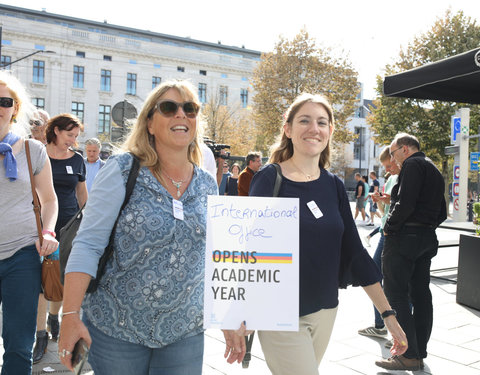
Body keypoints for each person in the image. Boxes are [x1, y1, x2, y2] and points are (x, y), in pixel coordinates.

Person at [58, 80, 220, 374]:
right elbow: (88, 244)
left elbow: (216, 257)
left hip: (184, 331)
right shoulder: (122, 169)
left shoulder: (208, 183)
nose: (181, 115)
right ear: (149, 123)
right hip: (117, 330)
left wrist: (232, 317)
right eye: (169, 108)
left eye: (190, 109)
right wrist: (70, 315)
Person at [249, 93, 407, 375]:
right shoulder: (269, 178)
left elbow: (355, 253)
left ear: (330, 131)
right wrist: (237, 315)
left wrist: (388, 314)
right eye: (304, 121)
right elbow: (247, 250)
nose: (314, 128)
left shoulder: (333, 185)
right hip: (279, 313)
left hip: (325, 310)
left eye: (322, 122)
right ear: (288, 129)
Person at [0, 71, 59, 374]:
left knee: (18, 346)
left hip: (22, 256)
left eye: (4, 100)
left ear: (15, 108)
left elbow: (49, 200)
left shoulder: (31, 150)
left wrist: (48, 230)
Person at [376, 133, 446, 371]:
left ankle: (408, 353)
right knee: (421, 295)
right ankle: (418, 352)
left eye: (394, 153)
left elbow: (405, 203)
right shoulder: (433, 169)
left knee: (395, 295)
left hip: (404, 237)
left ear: (405, 149)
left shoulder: (412, 165)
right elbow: (442, 212)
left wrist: (389, 228)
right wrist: (426, 228)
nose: (394, 159)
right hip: (426, 237)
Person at [33, 114, 88, 362]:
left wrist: (89, 226)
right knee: (41, 285)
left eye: (76, 137)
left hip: (69, 229)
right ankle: (40, 335)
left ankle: (54, 317)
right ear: (55, 131)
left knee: (61, 282)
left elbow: (82, 196)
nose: (73, 141)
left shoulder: (77, 161)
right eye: (70, 135)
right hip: (41, 229)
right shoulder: (37, 154)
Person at [358, 147, 400, 338]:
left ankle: (389, 325)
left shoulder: (404, 177)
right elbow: (385, 213)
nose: (388, 170)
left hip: (393, 234)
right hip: (386, 231)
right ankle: (381, 323)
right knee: (376, 275)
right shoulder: (392, 178)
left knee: (385, 278)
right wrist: (381, 201)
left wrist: (385, 200)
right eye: (385, 167)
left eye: (389, 165)